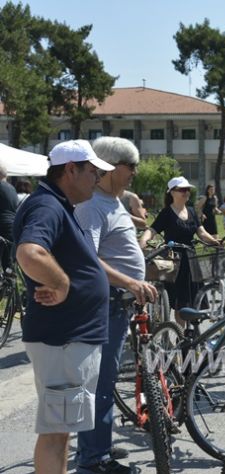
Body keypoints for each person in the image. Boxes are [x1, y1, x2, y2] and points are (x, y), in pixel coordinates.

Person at [12, 140, 115, 473]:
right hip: (65, 340)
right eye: (93, 172)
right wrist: (62, 283)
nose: (97, 179)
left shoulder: (56, 204)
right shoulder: (48, 206)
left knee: (60, 430)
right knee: (57, 434)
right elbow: (30, 253)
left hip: (69, 339)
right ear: (71, 170)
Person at [73, 137, 158, 474]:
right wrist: (131, 282)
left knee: (104, 383)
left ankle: (98, 447)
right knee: (100, 384)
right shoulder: (93, 206)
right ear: (109, 168)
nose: (134, 173)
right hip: (105, 305)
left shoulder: (111, 201)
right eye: (130, 166)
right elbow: (87, 259)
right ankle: (93, 461)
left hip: (115, 305)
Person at [138, 177, 221, 322]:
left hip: (191, 259)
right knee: (179, 303)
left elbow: (201, 232)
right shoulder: (167, 213)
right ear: (172, 192)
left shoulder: (192, 211)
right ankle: (180, 335)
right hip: (173, 261)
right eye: (182, 189)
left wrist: (214, 241)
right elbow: (152, 230)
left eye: (187, 189)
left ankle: (189, 336)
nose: (186, 192)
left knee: (193, 302)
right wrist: (143, 241)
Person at [0, 162, 18, 270]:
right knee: (8, 260)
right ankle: (10, 281)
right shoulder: (12, 188)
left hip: (1, 225)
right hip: (12, 225)